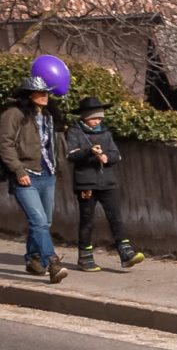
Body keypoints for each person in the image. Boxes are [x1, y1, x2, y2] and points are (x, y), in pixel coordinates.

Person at [1, 69, 67, 282]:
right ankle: (52, 262)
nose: (45, 96)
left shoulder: (48, 116)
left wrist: (58, 167)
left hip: (47, 174)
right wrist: (18, 170)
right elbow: (5, 144)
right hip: (25, 174)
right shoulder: (13, 114)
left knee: (44, 222)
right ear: (28, 95)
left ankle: (33, 259)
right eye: (40, 92)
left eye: (46, 92)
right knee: (38, 220)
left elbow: (55, 145)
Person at [65, 97, 142, 271]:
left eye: (100, 118)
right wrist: (89, 152)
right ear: (85, 117)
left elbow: (116, 154)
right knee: (87, 219)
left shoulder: (106, 133)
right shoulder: (75, 132)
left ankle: (126, 253)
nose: (97, 121)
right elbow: (71, 155)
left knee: (115, 217)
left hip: (108, 182)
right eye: (94, 118)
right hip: (86, 183)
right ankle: (85, 257)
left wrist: (107, 157)